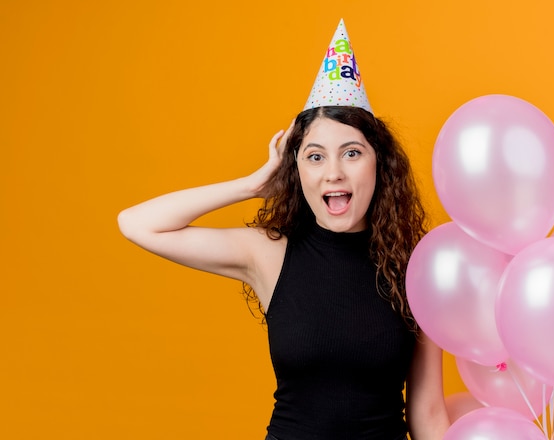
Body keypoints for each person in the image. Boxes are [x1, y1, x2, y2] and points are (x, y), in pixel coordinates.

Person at [118, 19, 449, 440]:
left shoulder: (416, 267)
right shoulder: (270, 254)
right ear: (296, 170)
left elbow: (428, 415)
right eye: (314, 157)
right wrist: (253, 184)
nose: (333, 173)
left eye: (351, 153)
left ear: (379, 164)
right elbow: (137, 224)